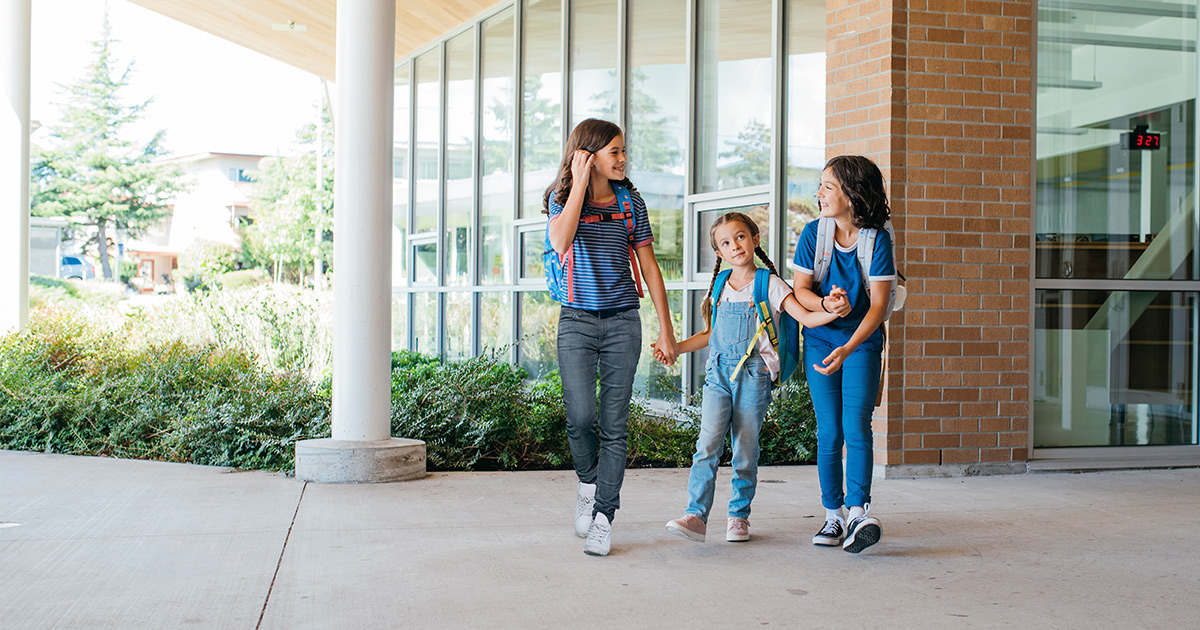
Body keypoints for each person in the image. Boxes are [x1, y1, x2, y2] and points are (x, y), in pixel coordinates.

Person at [658, 212, 844, 543]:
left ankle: (738, 517)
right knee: (707, 444)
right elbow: (710, 334)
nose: (735, 246)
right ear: (719, 252)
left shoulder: (769, 284)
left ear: (755, 239)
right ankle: (696, 516)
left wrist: (832, 310)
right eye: (726, 243)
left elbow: (803, 316)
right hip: (718, 372)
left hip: (753, 374)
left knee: (745, 448)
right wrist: (676, 349)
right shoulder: (719, 285)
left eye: (740, 237)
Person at [544, 118, 679, 557]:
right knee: (580, 418)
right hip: (577, 322)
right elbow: (561, 241)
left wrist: (667, 327)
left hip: (623, 321)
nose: (622, 159)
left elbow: (650, 265)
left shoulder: (630, 203)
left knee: (615, 425)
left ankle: (604, 515)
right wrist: (580, 180)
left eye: (624, 151)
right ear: (588, 155)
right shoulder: (561, 198)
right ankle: (587, 483)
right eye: (614, 152)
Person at [790, 155, 895, 554]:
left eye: (827, 187)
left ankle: (857, 512)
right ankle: (833, 514)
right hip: (819, 339)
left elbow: (879, 306)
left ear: (852, 193)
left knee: (857, 426)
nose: (819, 194)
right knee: (829, 430)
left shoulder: (876, 239)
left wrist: (849, 345)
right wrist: (826, 305)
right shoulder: (814, 234)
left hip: (861, 342)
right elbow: (800, 291)